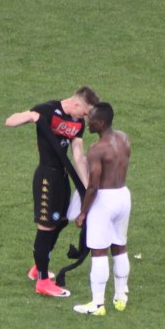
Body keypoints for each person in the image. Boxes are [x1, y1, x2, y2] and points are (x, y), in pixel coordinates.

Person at [5, 87, 99, 297]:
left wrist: (86, 188)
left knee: (61, 222)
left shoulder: (78, 123)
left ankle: (39, 267)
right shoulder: (48, 110)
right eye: (85, 112)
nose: (85, 117)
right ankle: (42, 281)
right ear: (76, 104)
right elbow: (10, 121)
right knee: (46, 226)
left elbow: (77, 155)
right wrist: (31, 116)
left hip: (63, 178)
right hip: (46, 177)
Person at [70, 102, 132, 316]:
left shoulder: (97, 149)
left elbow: (93, 186)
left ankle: (97, 304)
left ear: (102, 122)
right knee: (120, 246)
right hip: (123, 195)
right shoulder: (124, 138)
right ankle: (121, 296)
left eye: (92, 121)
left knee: (98, 251)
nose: (88, 123)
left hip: (104, 200)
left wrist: (83, 212)